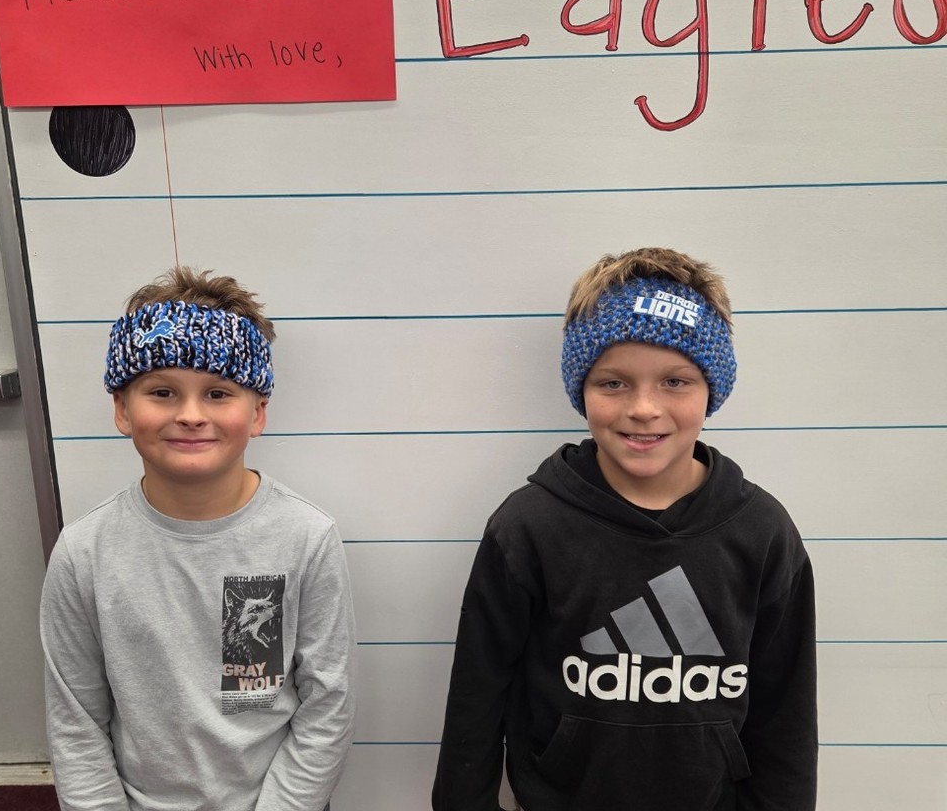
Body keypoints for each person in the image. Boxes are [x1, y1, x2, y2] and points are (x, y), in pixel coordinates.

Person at [432, 247, 817, 811]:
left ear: (712, 388)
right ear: (581, 388)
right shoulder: (528, 527)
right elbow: (477, 697)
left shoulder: (762, 533)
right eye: (613, 383)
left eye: (675, 382)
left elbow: (787, 716)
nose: (643, 408)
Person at [40, 267, 355, 811]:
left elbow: (327, 707)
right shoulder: (82, 551)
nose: (190, 415)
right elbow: (76, 721)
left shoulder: (307, 537)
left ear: (257, 414)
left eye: (217, 393)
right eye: (162, 392)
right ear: (121, 409)